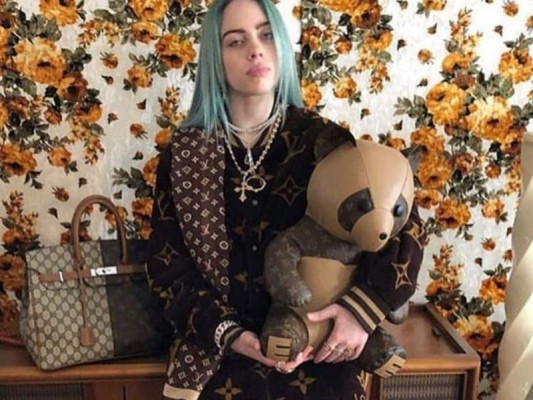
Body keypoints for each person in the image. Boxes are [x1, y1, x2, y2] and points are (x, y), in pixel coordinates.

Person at [146, 0, 427, 399]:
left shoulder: (326, 144)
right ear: (214, 57)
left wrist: (359, 313)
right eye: (235, 41)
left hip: (322, 349)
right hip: (221, 352)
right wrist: (234, 336)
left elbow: (402, 227)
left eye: (265, 35)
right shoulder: (185, 154)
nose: (255, 50)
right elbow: (168, 269)